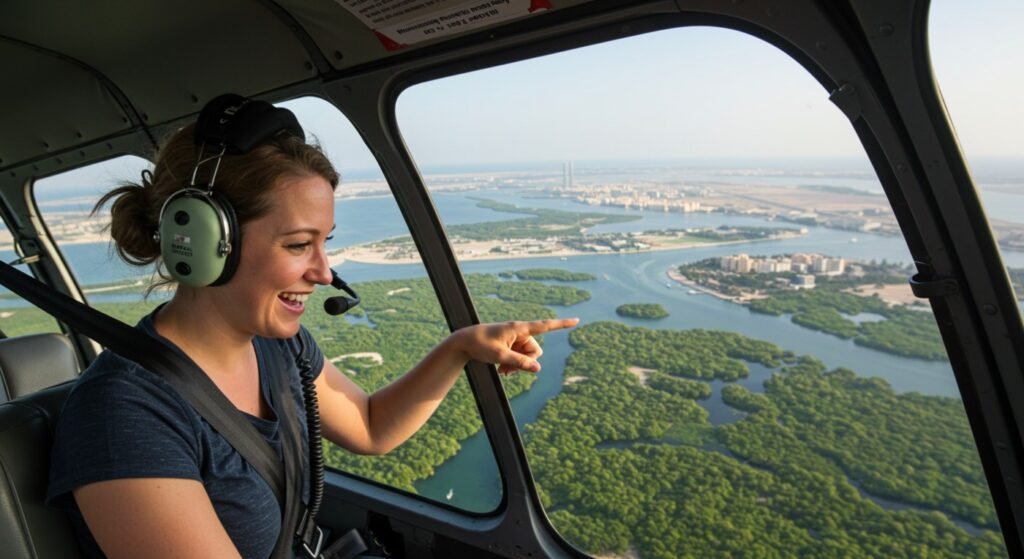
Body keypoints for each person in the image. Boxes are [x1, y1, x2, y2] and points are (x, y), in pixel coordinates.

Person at [46, 98, 578, 559]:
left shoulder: (280, 347)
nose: (324, 272)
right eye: (299, 245)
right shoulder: (125, 415)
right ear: (204, 241)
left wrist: (460, 348)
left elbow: (369, 426)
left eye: (325, 242)